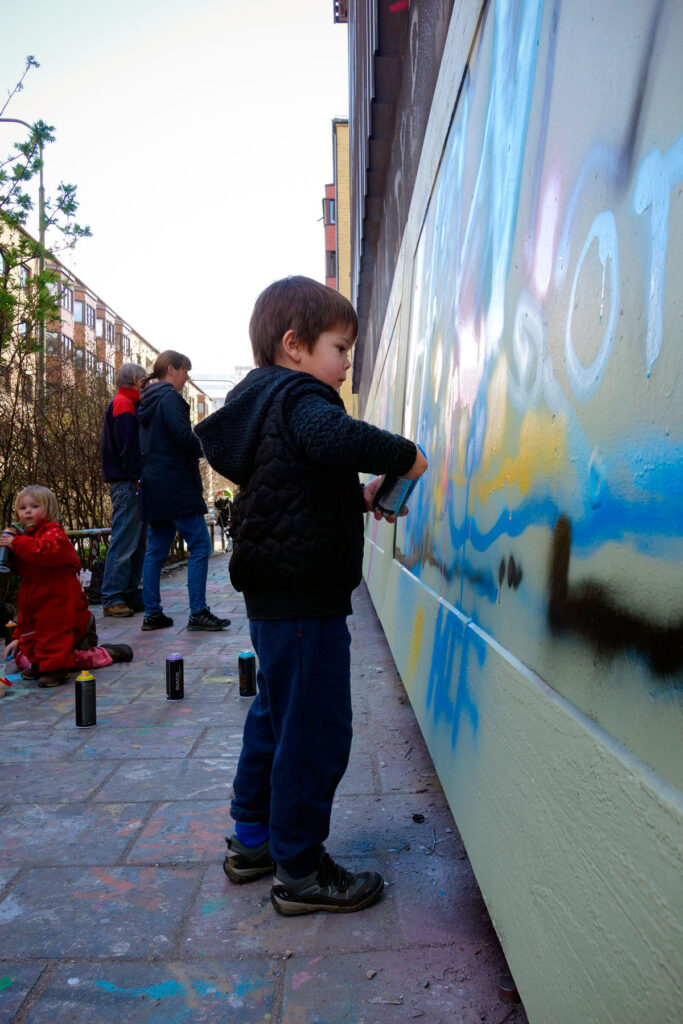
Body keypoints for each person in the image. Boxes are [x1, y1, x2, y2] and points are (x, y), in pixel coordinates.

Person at [195, 275, 428, 916]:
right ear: (295, 345)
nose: (348, 365)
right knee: (315, 728)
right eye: (341, 348)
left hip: (279, 596)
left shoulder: (267, 402)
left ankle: (253, 841)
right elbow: (337, 439)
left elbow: (296, 478)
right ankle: (299, 869)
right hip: (304, 598)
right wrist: (405, 456)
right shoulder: (302, 394)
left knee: (275, 716)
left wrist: (353, 497)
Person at [0, 486, 133, 687]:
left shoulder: (54, 533)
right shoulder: (23, 536)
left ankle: (59, 667)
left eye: (34, 506)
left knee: (52, 630)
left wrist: (17, 544)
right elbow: (23, 564)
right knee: (29, 627)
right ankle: (39, 663)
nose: (27, 511)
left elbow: (45, 551)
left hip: (56, 594)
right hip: (32, 592)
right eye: (23, 507)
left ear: (49, 509)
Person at [137, 350, 230, 632]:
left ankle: (152, 614)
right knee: (200, 544)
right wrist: (210, 446)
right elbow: (183, 437)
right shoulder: (170, 398)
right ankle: (198, 612)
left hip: (153, 483)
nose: (187, 377)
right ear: (171, 369)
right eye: (185, 371)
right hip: (176, 483)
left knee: (155, 550)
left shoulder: (146, 401)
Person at [100, 362, 148, 617]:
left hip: (129, 481)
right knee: (125, 542)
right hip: (128, 482)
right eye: (145, 379)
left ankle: (128, 593)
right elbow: (128, 446)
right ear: (137, 380)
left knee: (136, 542)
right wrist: (137, 475)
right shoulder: (123, 404)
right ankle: (113, 597)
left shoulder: (126, 403)